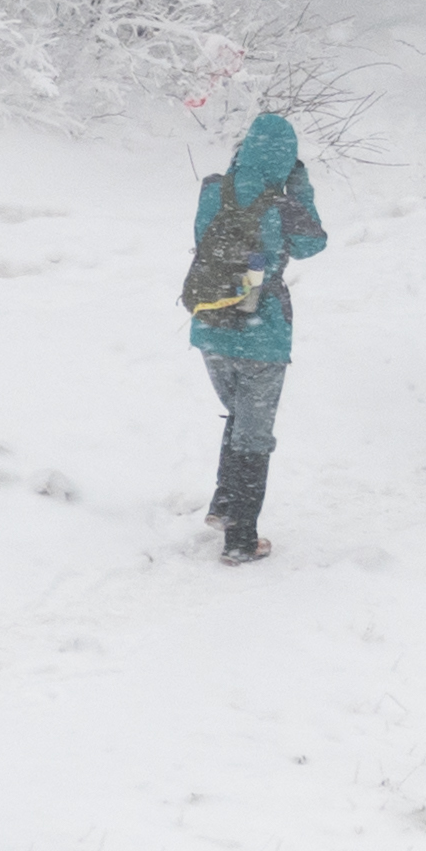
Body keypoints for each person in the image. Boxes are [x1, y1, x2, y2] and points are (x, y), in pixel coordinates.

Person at [180, 111, 329, 564]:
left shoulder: (213, 190)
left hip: (210, 324)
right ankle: (241, 539)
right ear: (286, 160)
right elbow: (313, 243)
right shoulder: (283, 206)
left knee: (239, 415)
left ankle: (225, 507)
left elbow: (203, 238)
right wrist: (299, 189)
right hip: (260, 333)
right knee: (255, 433)